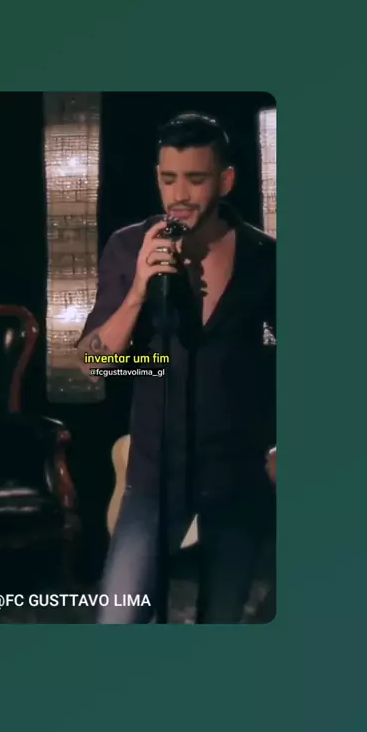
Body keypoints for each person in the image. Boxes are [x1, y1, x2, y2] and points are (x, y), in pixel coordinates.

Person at [76, 112, 276, 623]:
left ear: (226, 180)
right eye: (168, 179)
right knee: (117, 620)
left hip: (237, 474)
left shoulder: (264, 255)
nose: (179, 194)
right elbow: (95, 364)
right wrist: (138, 292)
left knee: (220, 621)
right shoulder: (129, 246)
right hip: (154, 474)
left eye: (196, 178)